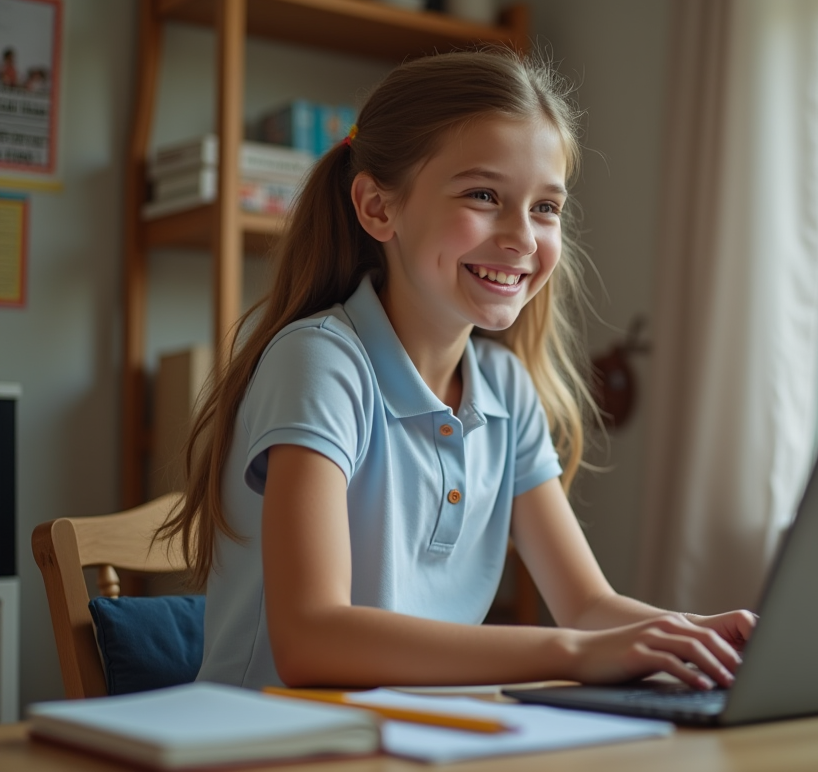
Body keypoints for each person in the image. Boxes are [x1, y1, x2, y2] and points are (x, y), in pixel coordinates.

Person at [160, 49, 756, 692]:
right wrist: (573, 653)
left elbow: (587, 607)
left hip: (422, 739)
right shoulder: (322, 363)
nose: (523, 238)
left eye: (546, 207)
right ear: (378, 208)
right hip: (275, 745)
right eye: (483, 195)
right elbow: (312, 637)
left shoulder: (507, 390)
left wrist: (696, 639)